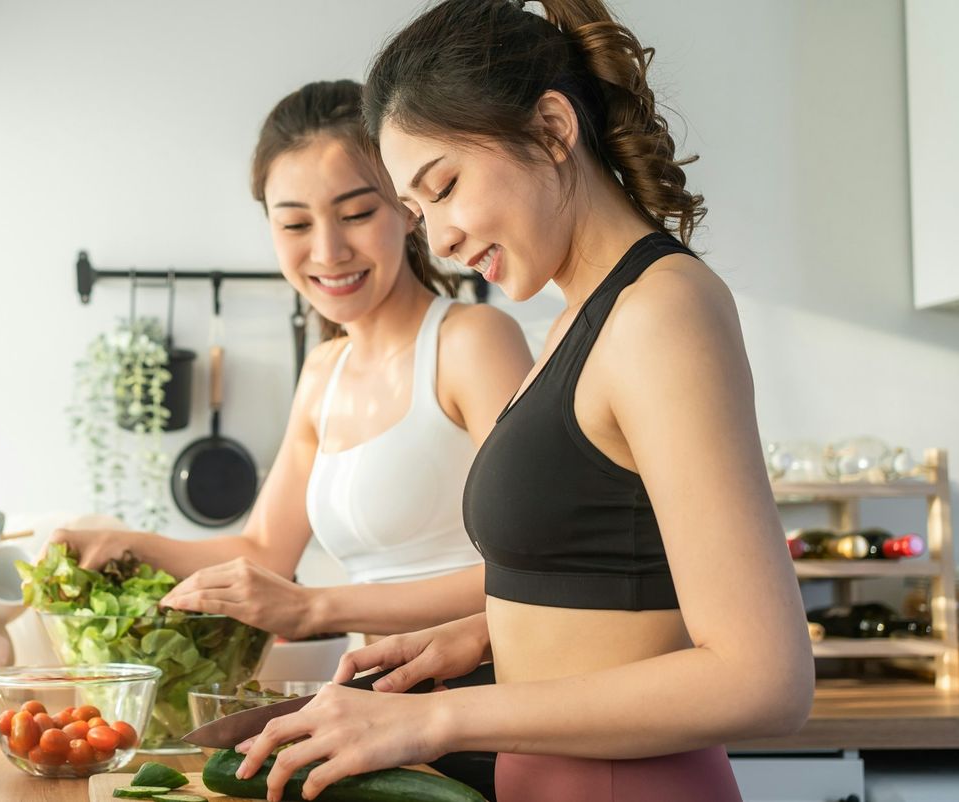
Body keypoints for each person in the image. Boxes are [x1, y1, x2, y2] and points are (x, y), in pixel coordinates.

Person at [231, 2, 813, 800]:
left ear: (550, 127)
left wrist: (434, 721)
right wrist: (473, 638)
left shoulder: (660, 312)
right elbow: (619, 588)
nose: (437, 240)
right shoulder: (580, 317)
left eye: (444, 188)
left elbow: (764, 680)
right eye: (417, 210)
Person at [48, 80, 533, 640]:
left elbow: (538, 570)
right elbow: (263, 552)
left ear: (406, 210)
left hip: (484, 690)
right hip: (374, 694)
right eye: (296, 224)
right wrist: (127, 544)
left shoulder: (472, 340)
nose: (328, 252)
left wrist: (317, 608)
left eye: (355, 214)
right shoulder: (323, 374)